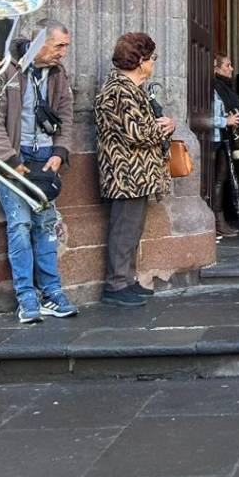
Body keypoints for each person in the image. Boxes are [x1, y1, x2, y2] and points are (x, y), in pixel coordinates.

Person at [0, 20, 79, 324]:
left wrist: (60, 152)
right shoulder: (7, 69)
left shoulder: (58, 74)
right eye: (59, 46)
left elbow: (66, 115)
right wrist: (10, 160)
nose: (64, 53)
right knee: (20, 225)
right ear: (39, 42)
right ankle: (26, 297)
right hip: (15, 157)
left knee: (45, 225)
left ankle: (53, 292)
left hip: (45, 157)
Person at [94, 32, 174, 307]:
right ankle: (116, 284)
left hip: (136, 173)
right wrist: (164, 127)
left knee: (131, 228)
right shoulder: (119, 90)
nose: (153, 63)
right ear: (140, 60)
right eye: (152, 58)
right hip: (125, 172)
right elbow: (136, 132)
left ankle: (127, 280)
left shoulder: (131, 89)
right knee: (123, 229)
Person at [209, 54, 239, 238]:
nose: (231, 69)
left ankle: (219, 219)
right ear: (215, 68)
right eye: (227, 65)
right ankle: (215, 221)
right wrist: (226, 120)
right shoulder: (212, 88)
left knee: (221, 179)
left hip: (223, 139)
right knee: (215, 179)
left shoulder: (225, 87)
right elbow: (201, 116)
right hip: (213, 139)